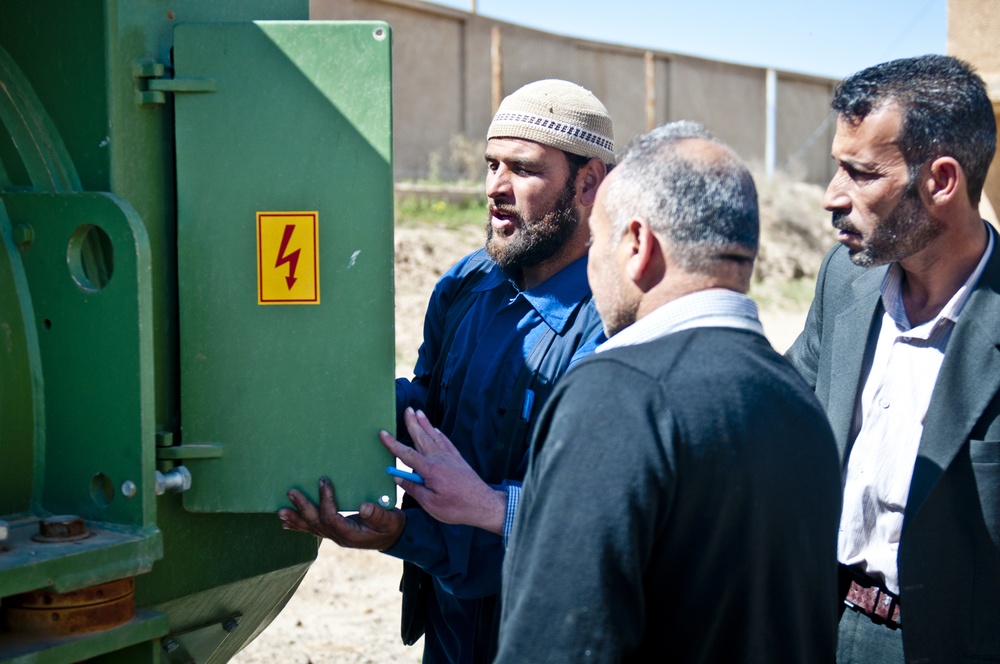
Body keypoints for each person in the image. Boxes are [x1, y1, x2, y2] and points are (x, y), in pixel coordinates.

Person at [278, 79, 614, 664]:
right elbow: (426, 415)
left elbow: (593, 512)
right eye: (490, 166)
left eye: (524, 170)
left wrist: (476, 507)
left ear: (588, 184)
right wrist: (338, 408)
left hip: (549, 631)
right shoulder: (465, 285)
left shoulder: (614, 318)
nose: (495, 189)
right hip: (451, 624)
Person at [489, 121, 841, 662]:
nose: (591, 265)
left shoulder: (614, 397)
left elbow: (556, 641)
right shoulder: (802, 404)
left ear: (636, 244)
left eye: (598, 241)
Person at [785, 54, 1000, 662]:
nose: (833, 197)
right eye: (837, 169)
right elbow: (781, 405)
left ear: (940, 182)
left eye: (860, 173)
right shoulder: (844, 281)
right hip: (817, 622)